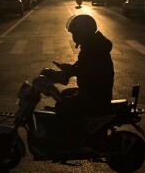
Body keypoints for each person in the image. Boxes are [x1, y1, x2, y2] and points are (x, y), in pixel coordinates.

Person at [49, 14, 114, 147]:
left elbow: (87, 71)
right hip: (93, 91)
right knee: (64, 95)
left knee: (63, 106)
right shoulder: (92, 45)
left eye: (75, 33)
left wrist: (71, 70)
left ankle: (73, 140)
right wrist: (65, 68)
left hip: (96, 96)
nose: (73, 37)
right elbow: (81, 65)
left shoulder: (95, 48)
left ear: (83, 32)